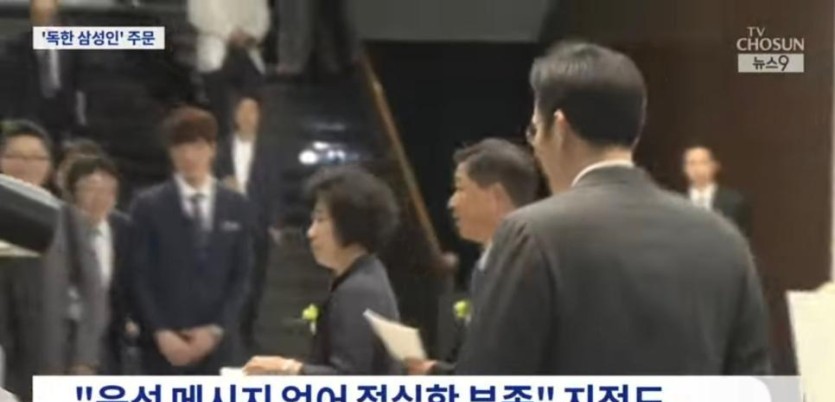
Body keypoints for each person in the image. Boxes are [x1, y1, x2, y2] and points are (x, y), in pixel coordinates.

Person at [455, 41, 770, 375]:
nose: (535, 146)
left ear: (559, 128)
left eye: (534, 130)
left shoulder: (531, 234)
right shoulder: (724, 239)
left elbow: (485, 389)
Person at [243, 165, 401, 375]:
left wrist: (289, 368)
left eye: (320, 220)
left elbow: (349, 379)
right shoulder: (367, 276)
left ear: (349, 223)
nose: (311, 233)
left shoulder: (358, 290)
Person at [130, 106, 252, 375]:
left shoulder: (237, 206)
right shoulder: (147, 205)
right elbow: (138, 275)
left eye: (196, 146)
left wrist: (215, 329)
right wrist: (161, 331)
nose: (188, 156)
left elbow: (242, 275)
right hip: (162, 349)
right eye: (180, 148)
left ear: (212, 149)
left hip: (220, 346)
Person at [405, 138, 539, 375]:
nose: (451, 203)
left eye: (460, 189)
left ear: (495, 196)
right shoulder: (490, 262)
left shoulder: (528, 268)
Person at [0, 120, 105, 402]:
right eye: (16, 156)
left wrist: (84, 359)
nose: (26, 165)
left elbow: (92, 293)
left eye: (37, 158)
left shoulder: (66, 218)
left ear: (50, 166)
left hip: (50, 359)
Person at [214, 95, 281, 354]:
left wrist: (275, 222)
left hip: (257, 225)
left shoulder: (269, 151)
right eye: (243, 111)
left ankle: (246, 331)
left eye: (253, 112)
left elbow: (275, 188)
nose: (248, 117)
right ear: (235, 116)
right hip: (225, 224)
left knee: (255, 281)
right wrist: (221, 185)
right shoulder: (220, 148)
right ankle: (224, 330)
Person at [64, 155, 136, 374]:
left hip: (111, 340)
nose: (99, 197)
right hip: (66, 337)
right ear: (73, 193)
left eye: (108, 190)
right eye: (90, 189)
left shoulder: (125, 230)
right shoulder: (59, 229)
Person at [2, 0, 84, 150]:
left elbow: (79, 83)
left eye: (49, 15)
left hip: (64, 118)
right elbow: (9, 88)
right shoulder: (16, 47)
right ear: (32, 17)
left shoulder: (72, 46)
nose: (45, 20)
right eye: (39, 15)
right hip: (29, 117)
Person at [188, 0, 270, 138]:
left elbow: (261, 17)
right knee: (222, 117)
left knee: (250, 104)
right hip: (216, 50)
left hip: (247, 51)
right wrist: (230, 33)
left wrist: (250, 33)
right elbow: (200, 15)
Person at [683, 145, 751, 236]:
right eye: (691, 163)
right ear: (685, 169)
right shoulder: (678, 202)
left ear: (715, 166)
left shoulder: (734, 202)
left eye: (703, 162)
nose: (697, 168)